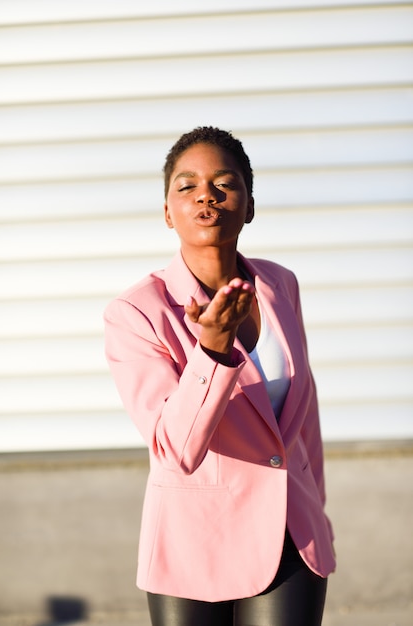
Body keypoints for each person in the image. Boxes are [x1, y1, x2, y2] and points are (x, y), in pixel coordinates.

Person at [104, 126, 336, 626]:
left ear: (249, 205)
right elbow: (174, 448)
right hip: (194, 541)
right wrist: (211, 350)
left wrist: (317, 509)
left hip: (291, 534)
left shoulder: (279, 284)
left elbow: (303, 415)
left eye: (224, 183)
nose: (205, 195)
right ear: (168, 212)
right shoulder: (136, 312)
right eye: (186, 186)